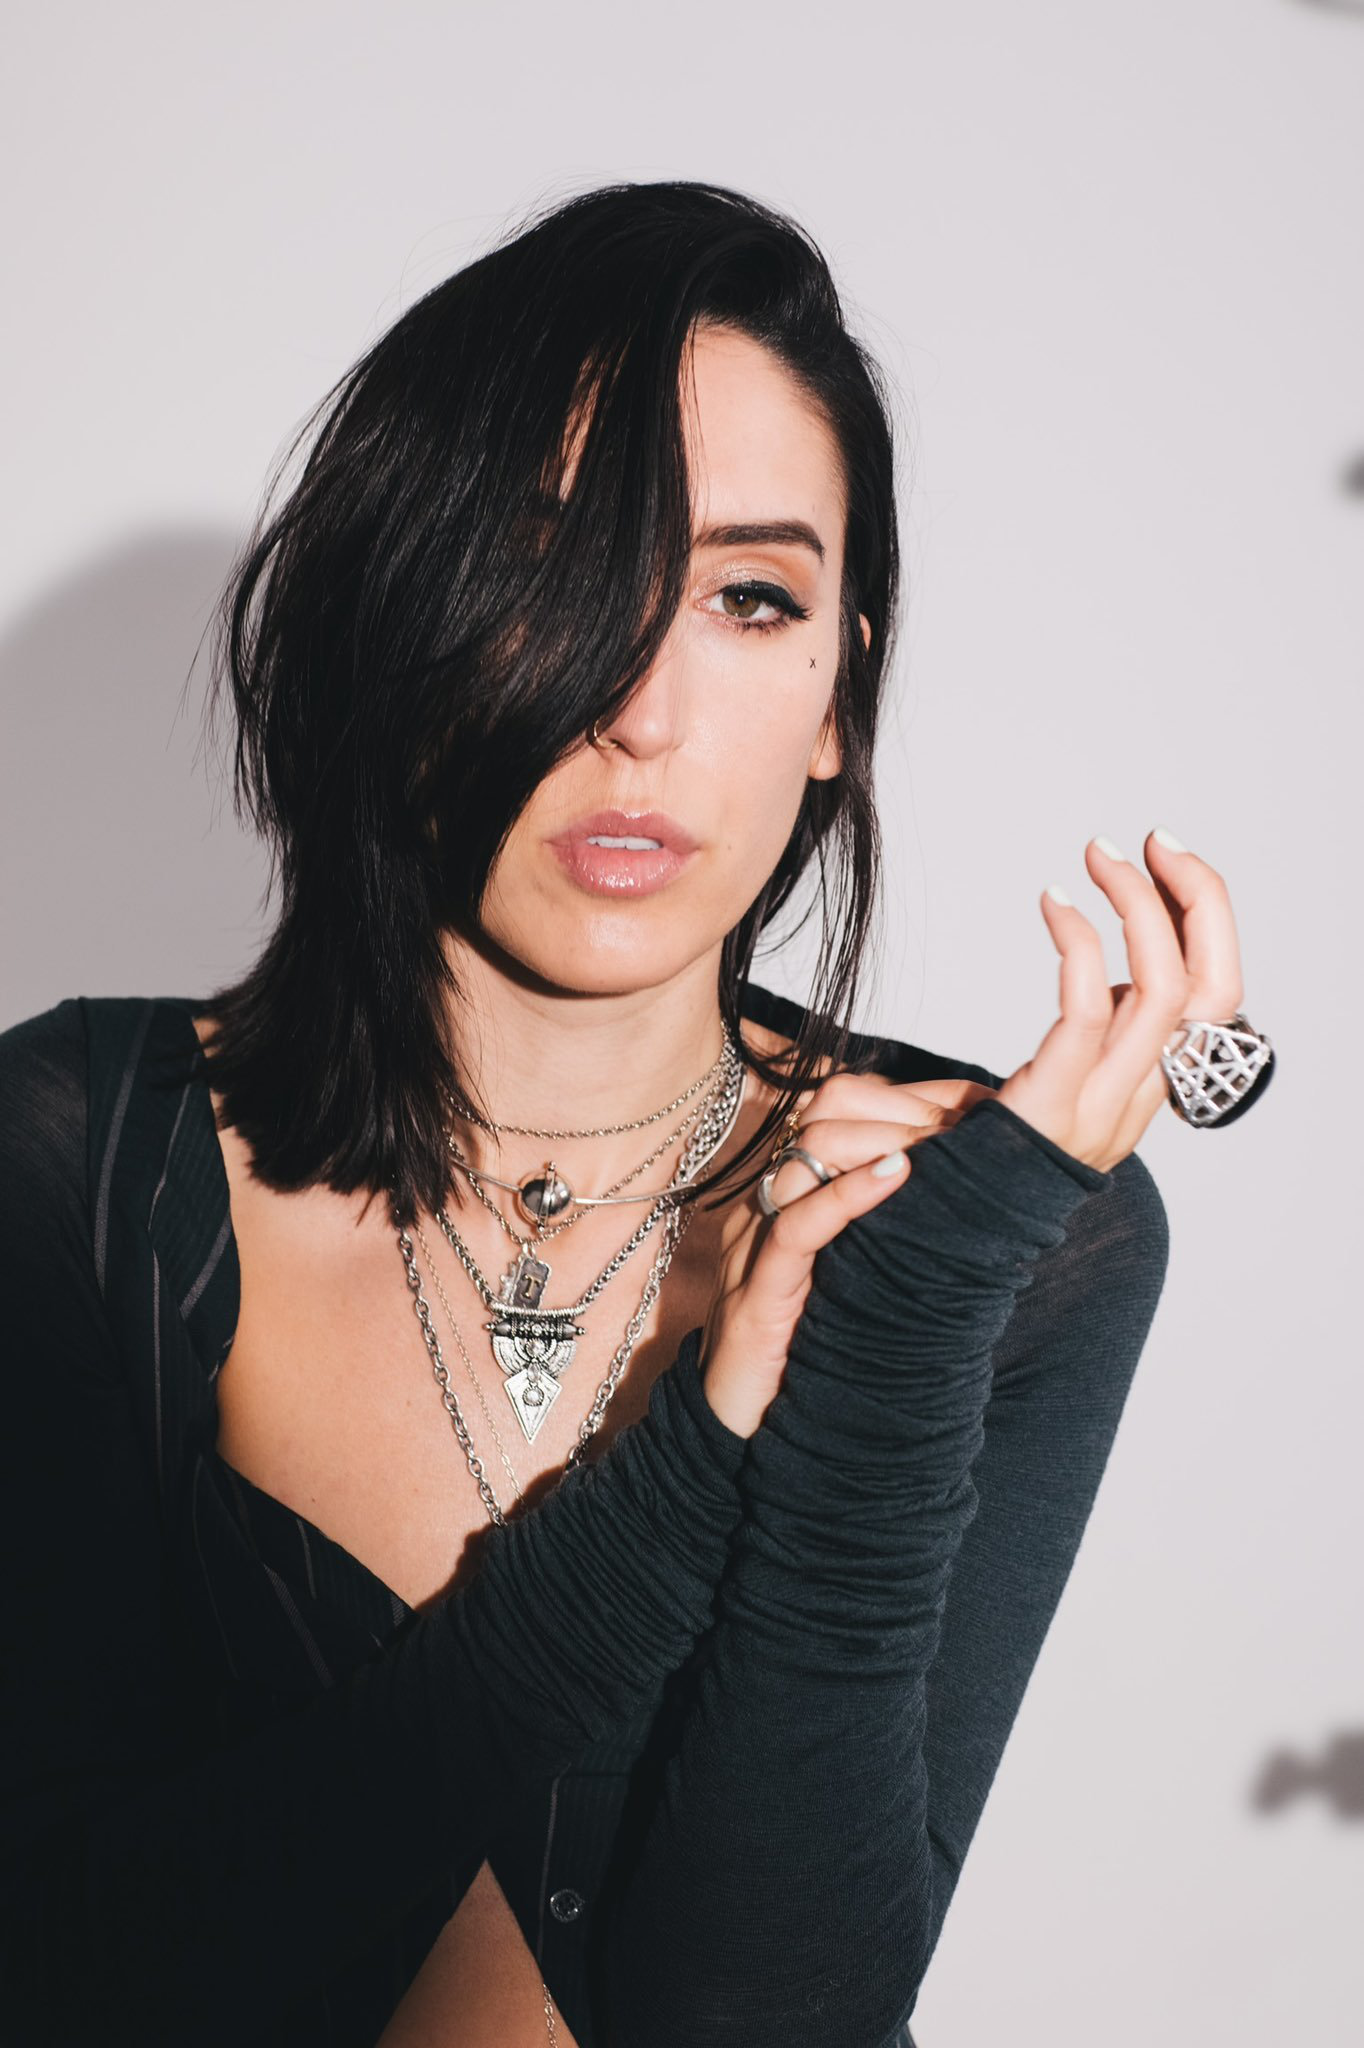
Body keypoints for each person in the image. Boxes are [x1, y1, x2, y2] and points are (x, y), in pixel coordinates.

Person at [0, 181, 1272, 2048]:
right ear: (390, 622)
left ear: (840, 692)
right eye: (551, 576)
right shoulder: (70, 1161)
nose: (641, 714)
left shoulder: (1006, 1231)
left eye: (750, 599)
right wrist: (681, 1482)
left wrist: (897, 1333)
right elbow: (81, 1978)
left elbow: (771, 2014)